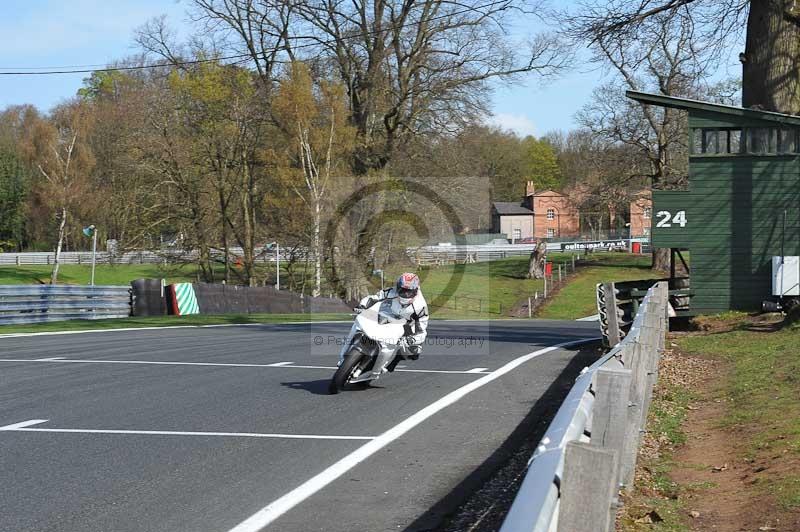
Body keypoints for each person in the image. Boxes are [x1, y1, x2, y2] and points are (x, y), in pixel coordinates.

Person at [339, 272, 429, 371]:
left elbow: (421, 329)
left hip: (406, 324)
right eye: (403, 290)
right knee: (358, 324)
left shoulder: (420, 306)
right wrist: (362, 306)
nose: (406, 294)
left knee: (414, 351)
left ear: (415, 291)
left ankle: (394, 361)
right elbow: (374, 298)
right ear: (398, 287)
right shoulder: (391, 292)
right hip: (387, 316)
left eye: (409, 291)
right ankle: (344, 354)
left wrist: (412, 339)